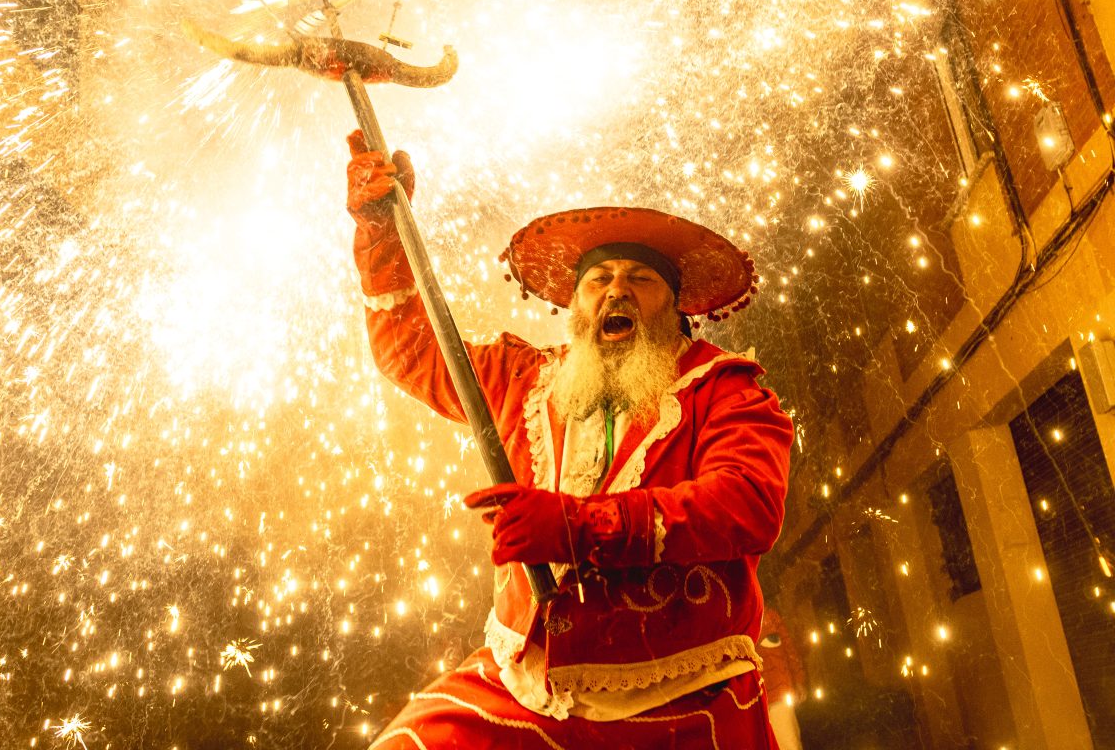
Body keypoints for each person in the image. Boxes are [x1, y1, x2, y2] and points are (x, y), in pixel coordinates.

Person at [345, 130, 794, 749]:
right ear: (577, 306)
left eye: (640, 278)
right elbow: (411, 351)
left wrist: (580, 526)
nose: (616, 290)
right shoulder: (522, 378)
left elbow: (748, 505)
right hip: (527, 690)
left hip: (681, 700)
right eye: (598, 279)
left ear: (675, 308)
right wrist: (379, 232)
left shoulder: (725, 390)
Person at [758, 605, 808, 750]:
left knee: (787, 742)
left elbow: (787, 647)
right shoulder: (734, 620)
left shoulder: (768, 616)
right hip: (753, 698)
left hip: (777, 693)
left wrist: (798, 679)